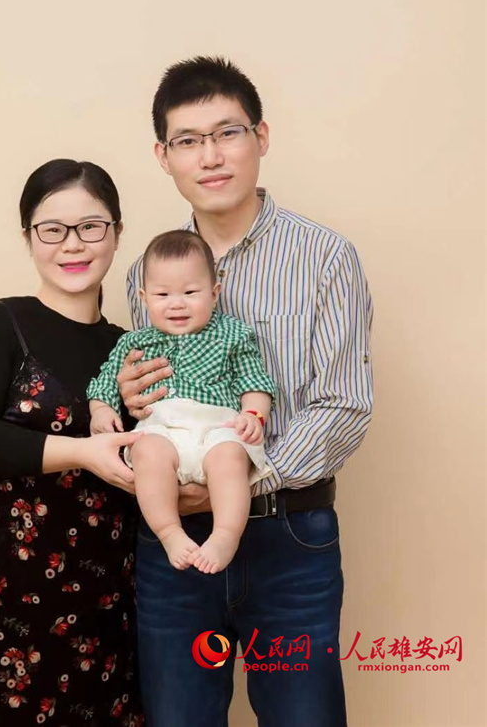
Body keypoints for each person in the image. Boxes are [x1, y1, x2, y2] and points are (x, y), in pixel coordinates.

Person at [119, 57, 374, 727]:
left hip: (288, 538)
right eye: (188, 140)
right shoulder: (145, 274)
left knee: (303, 718)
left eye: (226, 133)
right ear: (163, 155)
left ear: (260, 136)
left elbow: (344, 404)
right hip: (173, 541)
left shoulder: (325, 258)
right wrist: (128, 399)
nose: (209, 156)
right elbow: (152, 397)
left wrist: (241, 482)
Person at [0, 159, 145, 727]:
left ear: (117, 233)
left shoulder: (132, 348)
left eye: (91, 227)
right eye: (52, 229)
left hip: (113, 602)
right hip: (16, 606)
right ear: (28, 236)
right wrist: (83, 452)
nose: (72, 244)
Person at [87, 230, 276, 574]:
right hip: (163, 428)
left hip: (218, 426)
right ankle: (169, 532)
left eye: (190, 293)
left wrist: (253, 414)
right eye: (162, 294)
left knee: (230, 458)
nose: (176, 303)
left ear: (214, 293)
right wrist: (101, 409)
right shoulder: (135, 343)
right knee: (147, 452)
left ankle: (225, 535)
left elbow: (254, 382)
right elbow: (105, 382)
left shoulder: (231, 334)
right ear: (144, 298)